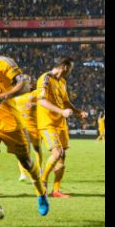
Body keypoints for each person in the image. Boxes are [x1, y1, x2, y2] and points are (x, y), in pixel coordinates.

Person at [0, 31, 49, 225]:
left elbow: (25, 84)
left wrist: (5, 95)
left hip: (11, 123)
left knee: (28, 164)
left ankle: (41, 191)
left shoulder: (4, 63)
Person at [36, 56, 89, 198]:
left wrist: (78, 112)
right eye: (70, 68)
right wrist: (61, 112)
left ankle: (56, 190)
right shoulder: (45, 78)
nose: (70, 71)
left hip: (60, 124)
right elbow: (41, 101)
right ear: (65, 66)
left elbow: (65, 101)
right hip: (48, 123)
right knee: (57, 153)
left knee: (62, 156)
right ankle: (42, 182)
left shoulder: (63, 82)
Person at [12, 75, 44, 182]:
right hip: (21, 127)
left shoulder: (34, 94)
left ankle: (40, 169)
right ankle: (23, 174)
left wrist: (35, 104)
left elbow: (44, 102)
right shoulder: (15, 97)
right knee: (22, 151)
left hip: (34, 127)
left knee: (37, 149)